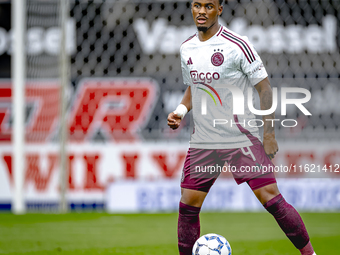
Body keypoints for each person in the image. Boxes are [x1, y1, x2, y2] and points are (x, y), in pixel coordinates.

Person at [167, 0, 316, 255]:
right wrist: (180, 111)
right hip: (205, 141)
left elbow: (264, 88)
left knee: (271, 198)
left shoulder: (238, 45)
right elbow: (194, 87)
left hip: (240, 138)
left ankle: (310, 254)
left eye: (208, 6)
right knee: (188, 204)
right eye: (196, 5)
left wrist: (268, 134)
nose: (201, 11)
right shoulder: (186, 48)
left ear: (219, 10)